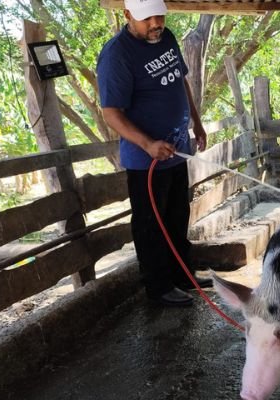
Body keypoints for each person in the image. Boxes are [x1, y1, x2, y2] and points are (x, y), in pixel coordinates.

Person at [97, 0, 211, 307]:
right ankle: (158, 286)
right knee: (151, 225)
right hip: (146, 160)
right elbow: (111, 113)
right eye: (147, 18)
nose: (155, 23)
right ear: (128, 15)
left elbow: (181, 82)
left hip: (176, 149)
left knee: (178, 215)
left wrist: (196, 123)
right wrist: (147, 144)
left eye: (159, 15)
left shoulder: (167, 37)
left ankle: (182, 275)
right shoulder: (117, 55)